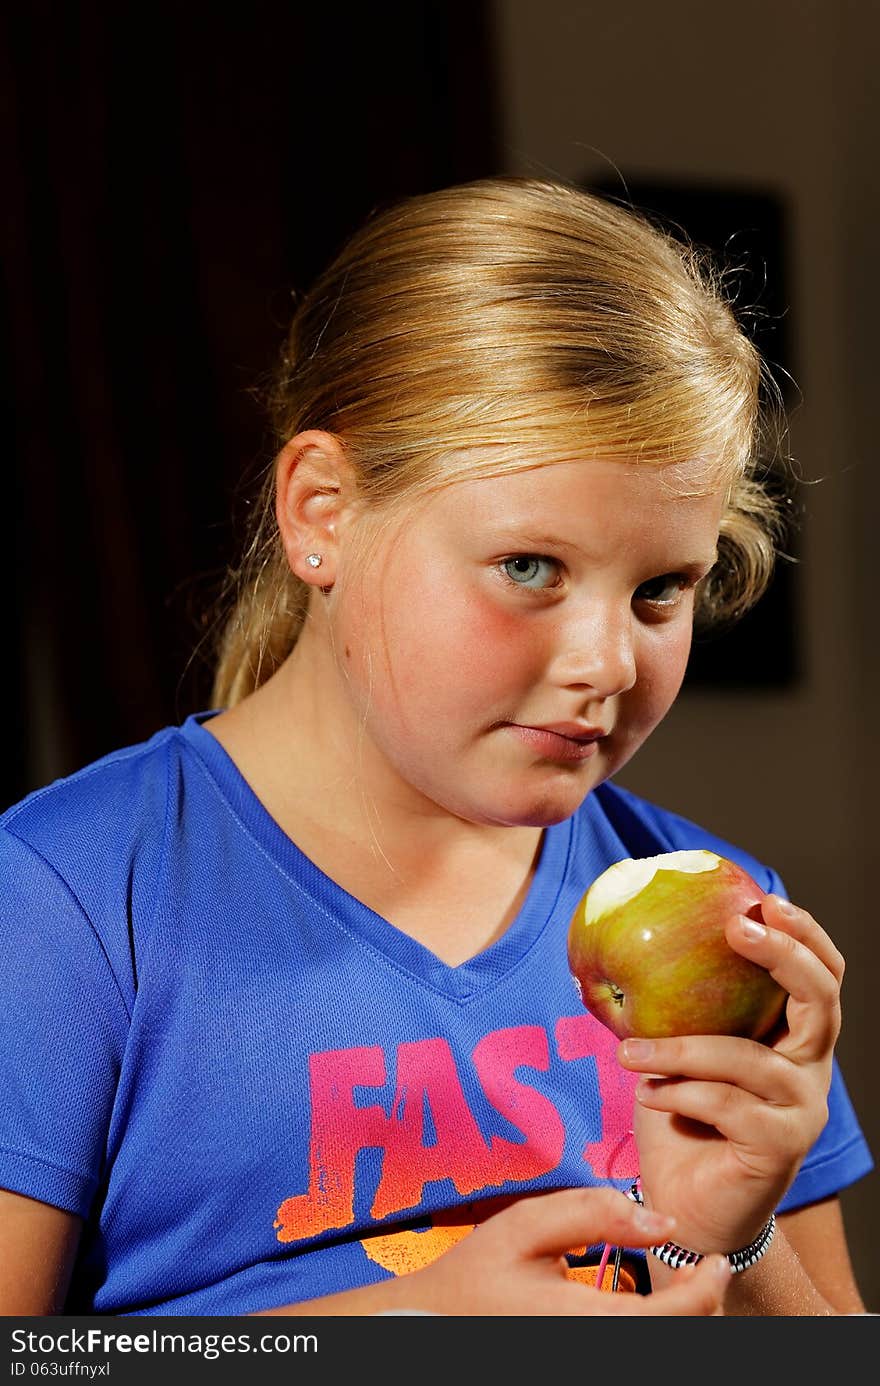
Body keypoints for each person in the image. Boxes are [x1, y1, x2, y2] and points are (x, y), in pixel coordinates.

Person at [0, 177, 873, 1319]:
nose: (608, 663)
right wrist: (413, 1324)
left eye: (661, 590)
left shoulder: (732, 916)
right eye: (529, 568)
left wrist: (731, 1237)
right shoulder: (67, 900)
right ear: (322, 511)